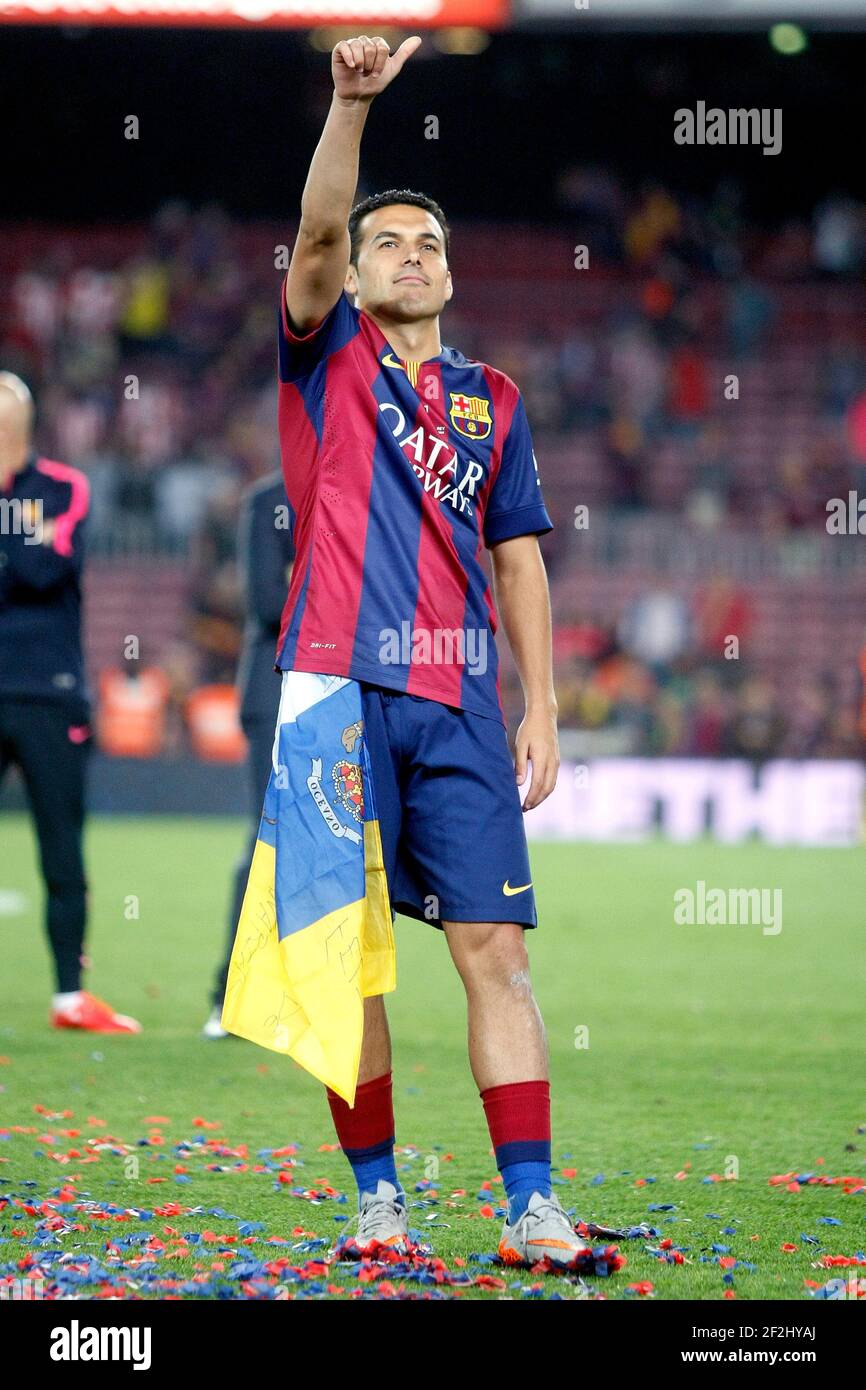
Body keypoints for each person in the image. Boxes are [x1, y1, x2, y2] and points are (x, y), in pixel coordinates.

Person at [270, 34, 587, 1272]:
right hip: (330, 695)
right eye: (384, 242)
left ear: (452, 275)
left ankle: (530, 1205)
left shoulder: (493, 400)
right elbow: (309, 238)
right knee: (349, 970)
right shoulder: (325, 355)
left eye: (428, 243)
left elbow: (520, 558)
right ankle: (379, 1202)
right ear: (352, 278)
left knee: (495, 952)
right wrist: (349, 109)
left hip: (457, 700)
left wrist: (543, 705)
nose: (409, 255)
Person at [0, 372, 139, 1033]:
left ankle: (67, 997)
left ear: (24, 424)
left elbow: (47, 568)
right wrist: (22, 538)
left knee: (62, 846)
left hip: (50, 694)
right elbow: (30, 557)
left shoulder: (65, 486)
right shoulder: (41, 504)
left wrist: (18, 543)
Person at [202, 471, 294, 1038]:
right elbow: (267, 601)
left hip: (343, 694)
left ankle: (308, 997)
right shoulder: (267, 501)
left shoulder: (363, 489)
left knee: (339, 852)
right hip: (277, 689)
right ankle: (231, 996)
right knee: (268, 842)